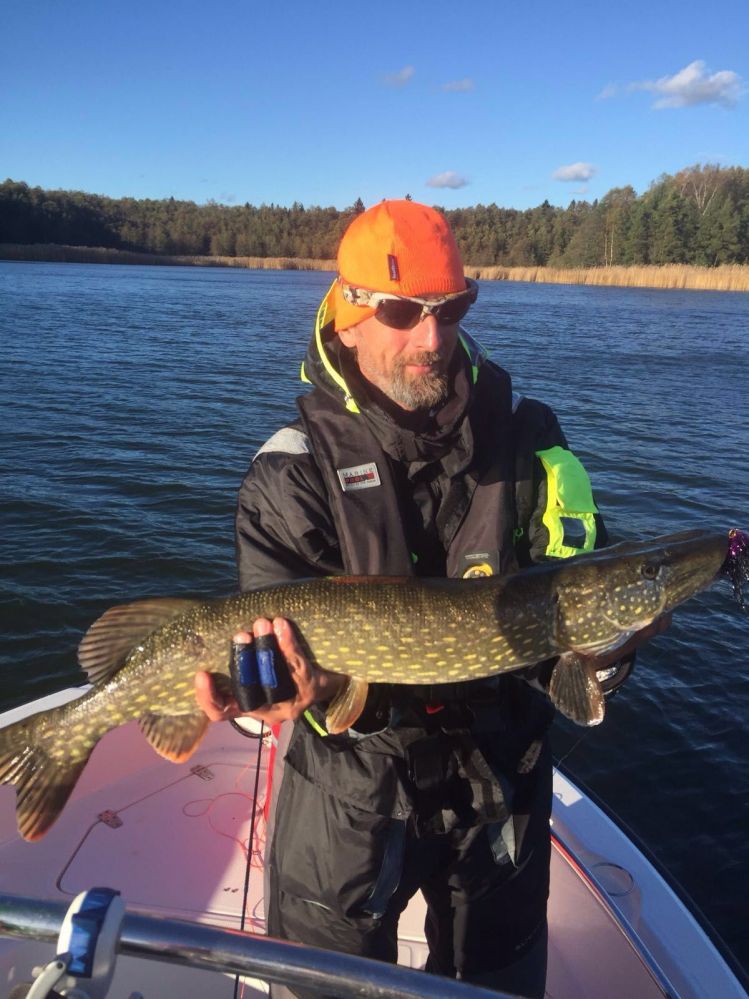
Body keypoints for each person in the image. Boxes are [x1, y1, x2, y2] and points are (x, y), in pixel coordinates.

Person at [195, 200, 665, 998]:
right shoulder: (292, 471)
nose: (430, 338)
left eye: (449, 310)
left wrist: (613, 643)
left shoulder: (532, 447)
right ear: (347, 316)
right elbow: (269, 664)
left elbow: (578, 634)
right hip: (347, 800)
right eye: (402, 311)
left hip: (499, 793)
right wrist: (277, 693)